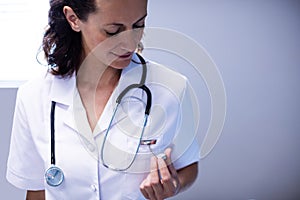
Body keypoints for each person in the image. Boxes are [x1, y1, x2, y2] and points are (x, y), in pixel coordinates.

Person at [6, 0, 200, 199]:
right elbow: (37, 191)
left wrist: (174, 185)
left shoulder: (172, 88)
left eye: (139, 25)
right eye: (113, 31)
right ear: (73, 19)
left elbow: (188, 166)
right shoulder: (33, 97)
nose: (131, 43)